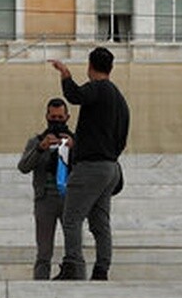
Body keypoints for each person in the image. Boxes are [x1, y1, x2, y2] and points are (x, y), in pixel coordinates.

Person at [49, 47, 130, 280]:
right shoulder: (119, 97)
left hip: (91, 167)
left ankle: (72, 265)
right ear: (111, 67)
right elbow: (122, 138)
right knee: (99, 222)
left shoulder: (98, 88)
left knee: (71, 217)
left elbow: (75, 96)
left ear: (90, 66)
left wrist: (64, 74)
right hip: (111, 168)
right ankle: (102, 269)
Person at [16, 97, 73, 280]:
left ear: (67, 117)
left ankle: (77, 281)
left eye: (60, 117)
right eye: (53, 117)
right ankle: (40, 286)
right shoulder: (36, 141)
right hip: (44, 198)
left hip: (70, 199)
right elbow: (23, 166)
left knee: (74, 249)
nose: (56, 121)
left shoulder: (74, 140)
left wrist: (74, 147)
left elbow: (85, 167)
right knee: (43, 251)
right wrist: (41, 148)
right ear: (46, 116)